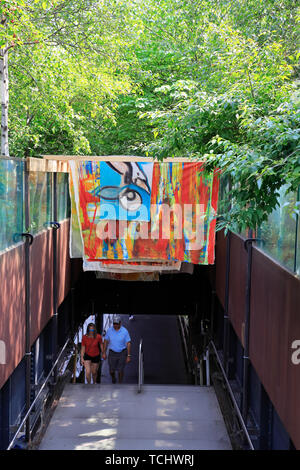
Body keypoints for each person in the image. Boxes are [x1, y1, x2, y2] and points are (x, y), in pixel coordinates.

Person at [102, 314, 131, 384]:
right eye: (114, 324)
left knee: (120, 370)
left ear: (120, 323)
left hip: (122, 353)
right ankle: (113, 378)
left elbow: (128, 343)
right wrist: (104, 352)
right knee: (111, 371)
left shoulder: (125, 331)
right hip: (112, 353)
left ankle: (120, 383)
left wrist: (128, 356)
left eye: (117, 324)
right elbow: (105, 341)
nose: (115, 325)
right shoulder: (109, 331)